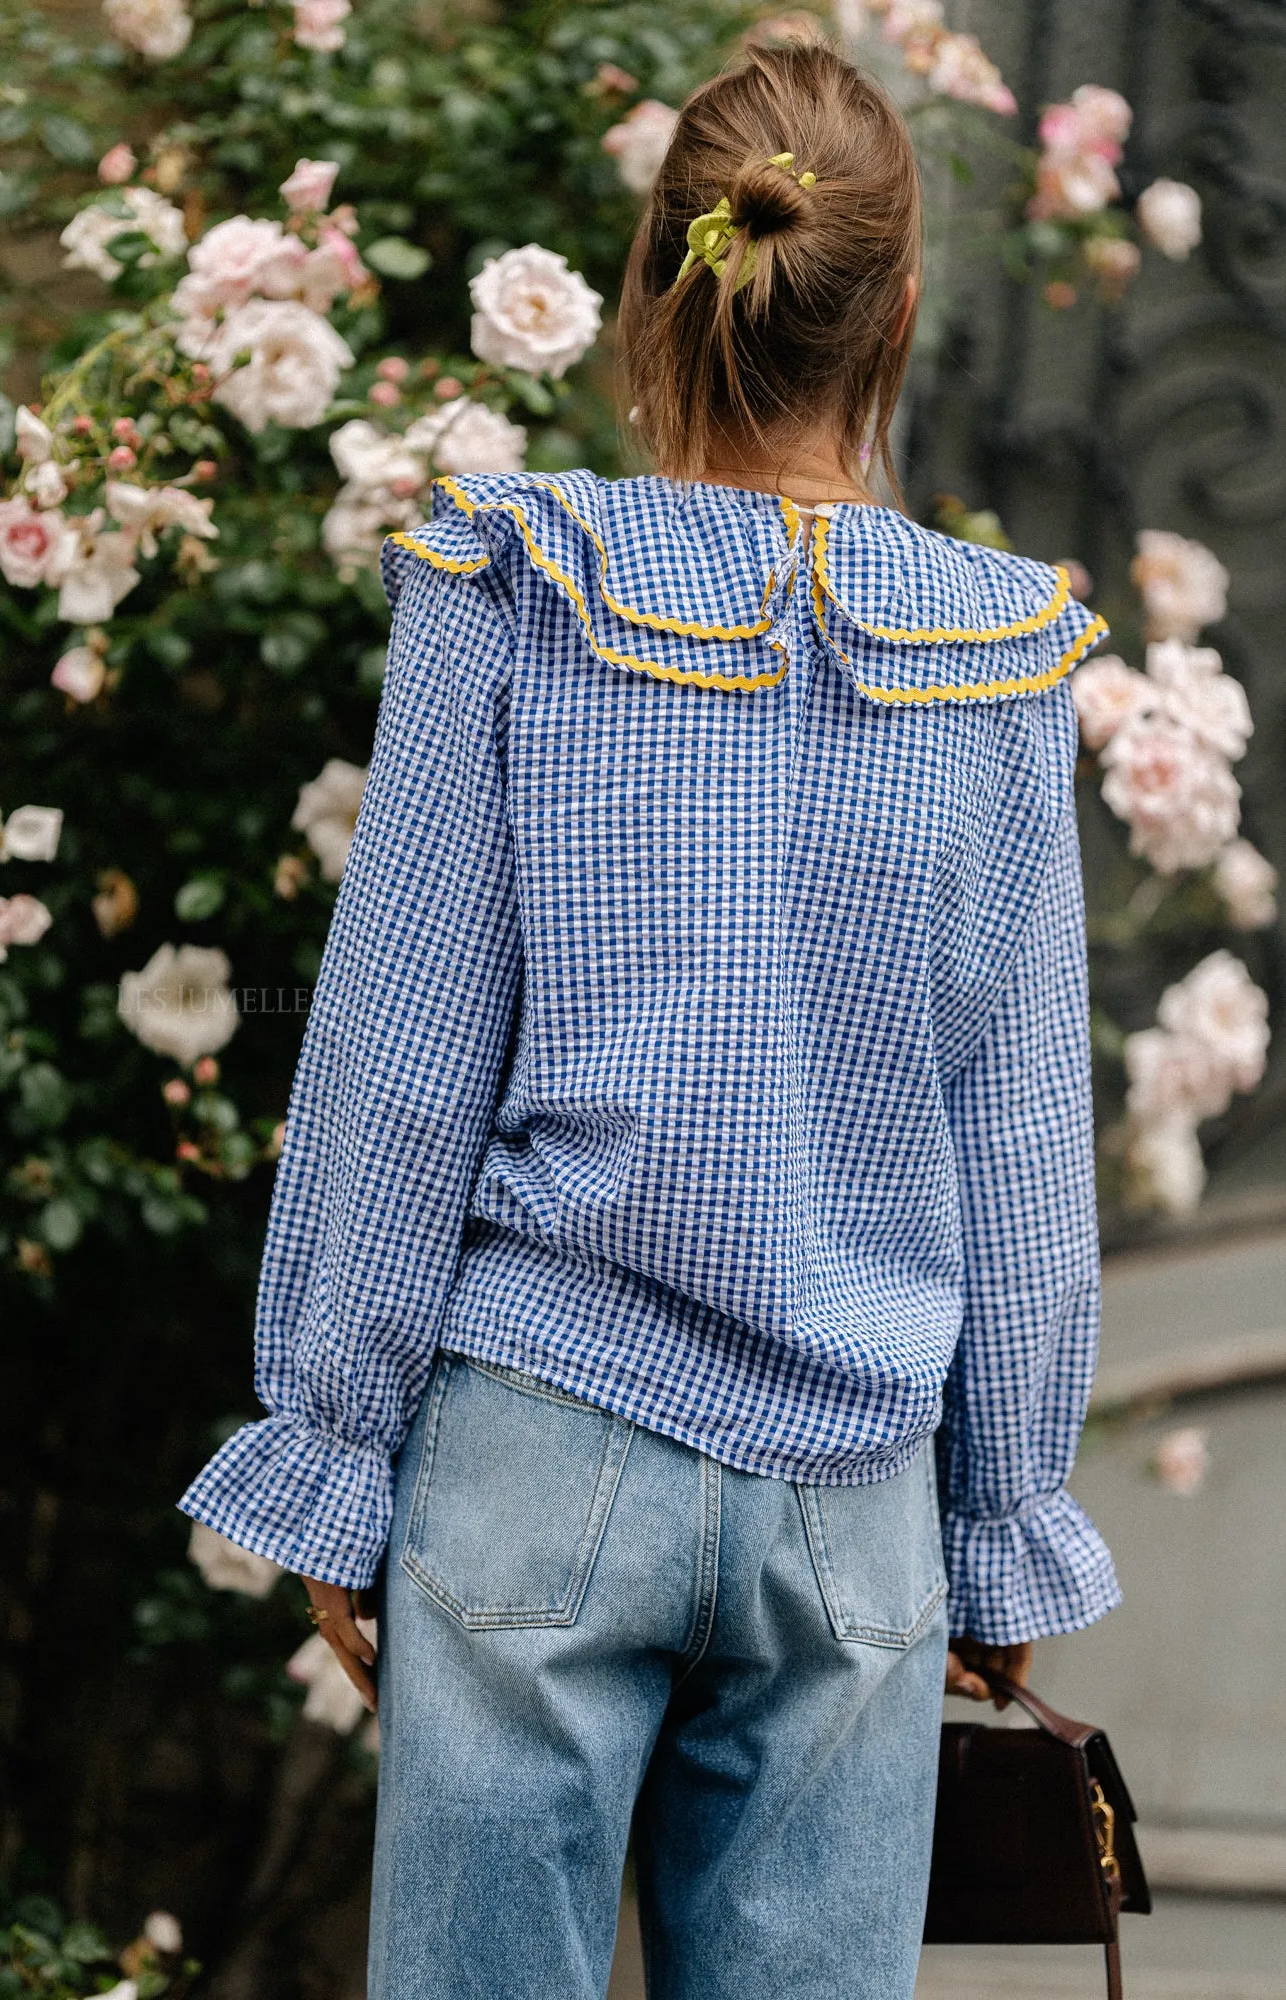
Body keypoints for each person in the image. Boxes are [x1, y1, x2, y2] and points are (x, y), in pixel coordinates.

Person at [179, 38, 1121, 2000]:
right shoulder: (1002, 654)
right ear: (904, 305)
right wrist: (1002, 1507)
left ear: (655, 280)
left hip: (539, 1441)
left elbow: (400, 1052)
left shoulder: (520, 588)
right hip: (852, 1502)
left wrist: (338, 1457)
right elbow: (1018, 1120)